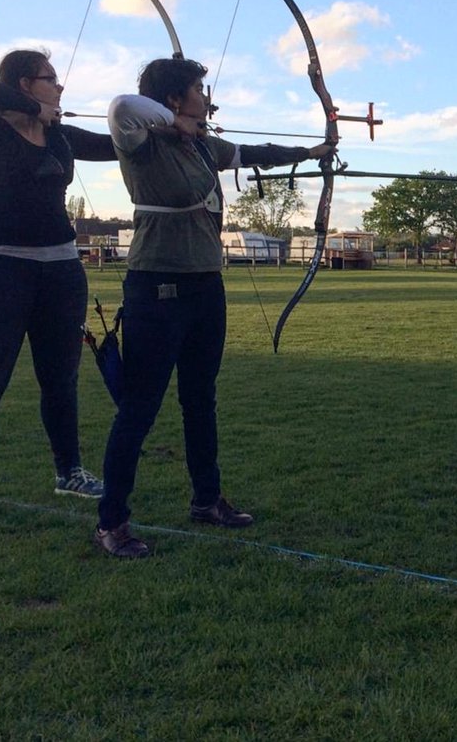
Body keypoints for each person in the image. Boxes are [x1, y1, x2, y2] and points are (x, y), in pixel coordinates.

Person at [94, 57, 332, 558]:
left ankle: (207, 500)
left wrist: (313, 150)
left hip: (206, 286)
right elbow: (121, 108)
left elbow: (252, 152)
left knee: (200, 399)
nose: (208, 98)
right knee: (139, 406)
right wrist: (171, 119)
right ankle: (112, 521)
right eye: (199, 90)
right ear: (176, 98)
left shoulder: (203, 145)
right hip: (156, 283)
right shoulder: (142, 142)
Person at [0, 50, 117, 531]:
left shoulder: (58, 133)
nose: (59, 88)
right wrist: (37, 113)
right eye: (50, 79)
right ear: (24, 84)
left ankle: (69, 472)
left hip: (60, 269)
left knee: (60, 379)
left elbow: (112, 143)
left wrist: (159, 129)